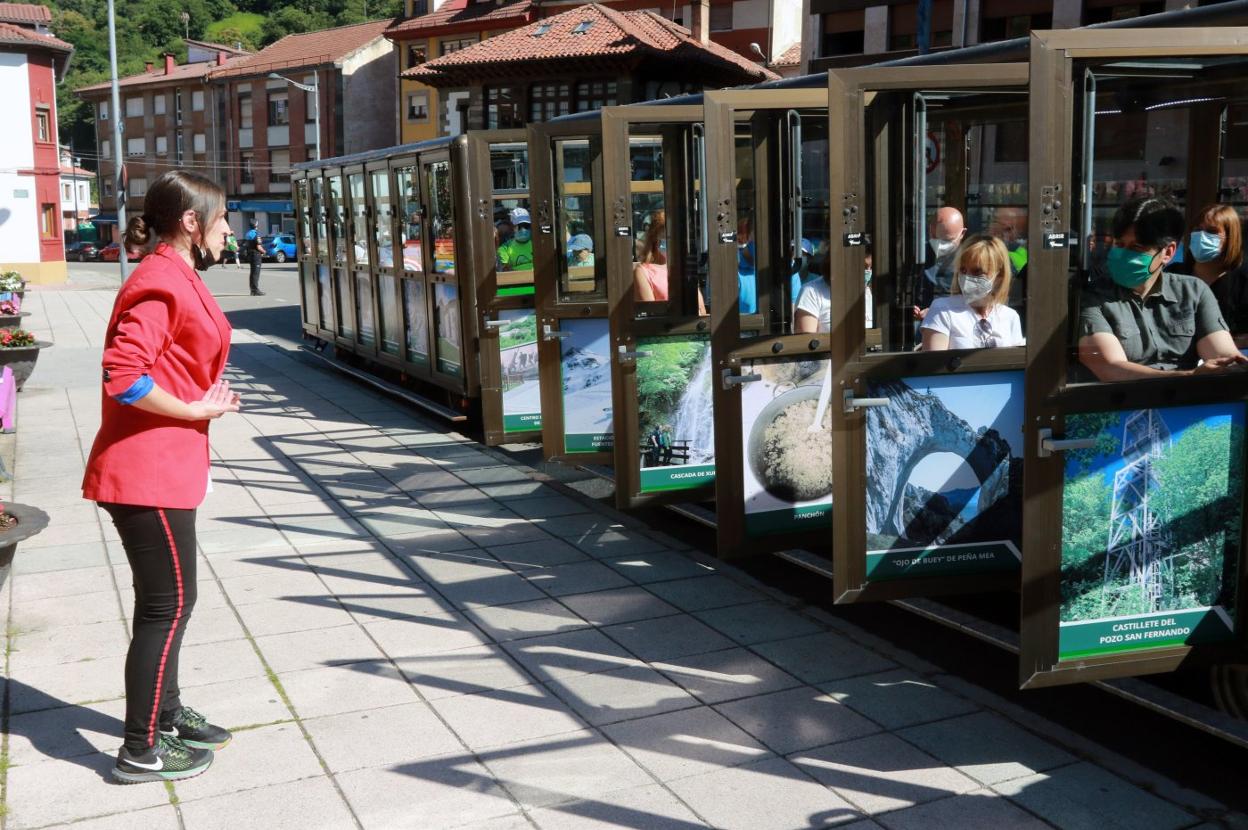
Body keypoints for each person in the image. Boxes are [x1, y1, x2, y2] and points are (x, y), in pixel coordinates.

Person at [81, 171, 240, 784]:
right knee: (167, 605)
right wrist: (196, 409)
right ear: (192, 222)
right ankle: (140, 749)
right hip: (143, 472)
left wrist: (197, 400)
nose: (230, 228)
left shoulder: (177, 274)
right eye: (222, 217)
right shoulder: (159, 280)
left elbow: (169, 362)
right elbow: (123, 376)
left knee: (173, 601)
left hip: (165, 467)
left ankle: (167, 716)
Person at [1078, 197, 1247, 380]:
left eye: (1137, 247)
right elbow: (1110, 368)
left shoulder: (1194, 292)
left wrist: (1232, 365)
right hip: (1124, 403)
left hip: (1189, 403)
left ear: (1167, 252)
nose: (1124, 254)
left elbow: (1223, 354)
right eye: (1120, 245)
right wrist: (1189, 377)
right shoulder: (1094, 295)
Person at [920, 235, 1024, 350]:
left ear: (999, 275)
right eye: (963, 270)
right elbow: (934, 363)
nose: (967, 277)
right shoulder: (943, 309)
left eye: (978, 271)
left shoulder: (1010, 316)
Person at [1179, 203, 1248, 347]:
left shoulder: (1242, 282)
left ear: (1230, 237)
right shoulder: (1174, 275)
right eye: (1197, 230)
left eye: (1211, 231)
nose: (1202, 236)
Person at [633, 210, 706, 314]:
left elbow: (701, 310)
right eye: (667, 238)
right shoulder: (643, 272)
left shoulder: (684, 270)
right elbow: (650, 315)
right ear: (655, 240)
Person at [913, 206, 965, 320]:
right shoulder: (918, 254)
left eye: (948, 240)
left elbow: (974, 303)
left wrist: (937, 310)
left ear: (962, 234)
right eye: (936, 238)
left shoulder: (970, 260)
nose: (941, 245)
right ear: (930, 230)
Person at [497, 207, 533, 272]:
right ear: (513, 227)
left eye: (526, 226)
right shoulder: (504, 248)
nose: (523, 229)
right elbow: (506, 271)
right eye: (520, 226)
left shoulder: (537, 244)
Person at [243, 220, 264, 296]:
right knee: (256, 272)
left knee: (252, 272)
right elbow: (258, 246)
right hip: (256, 255)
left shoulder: (248, 233)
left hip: (250, 254)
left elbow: (245, 243)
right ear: (255, 225)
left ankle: (252, 289)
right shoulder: (256, 234)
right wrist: (264, 251)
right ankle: (255, 290)